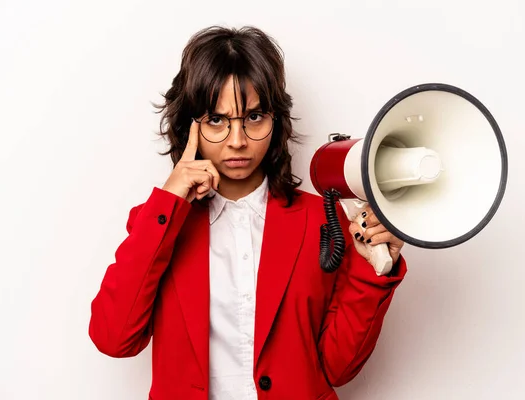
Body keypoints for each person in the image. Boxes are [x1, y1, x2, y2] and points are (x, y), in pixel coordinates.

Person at [88, 25, 407, 400]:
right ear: (190, 125)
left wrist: (371, 272)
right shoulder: (156, 222)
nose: (237, 141)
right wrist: (169, 202)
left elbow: (338, 368)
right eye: (217, 120)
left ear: (276, 121)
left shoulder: (322, 220)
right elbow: (113, 339)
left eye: (254, 117)